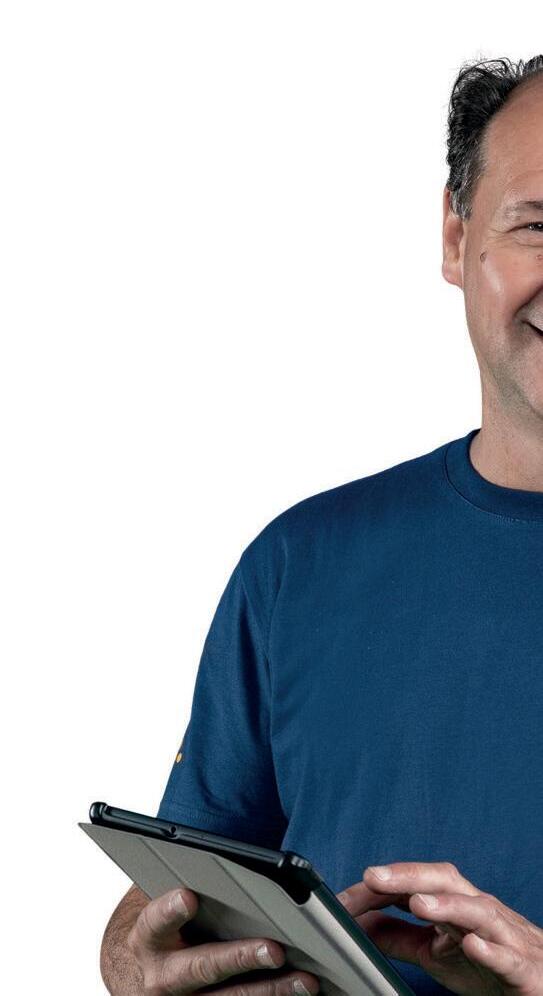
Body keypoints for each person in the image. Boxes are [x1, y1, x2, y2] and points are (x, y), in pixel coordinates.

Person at [99, 54, 543, 996]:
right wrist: (139, 961)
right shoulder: (299, 564)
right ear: (455, 237)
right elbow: (181, 888)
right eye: (537, 226)